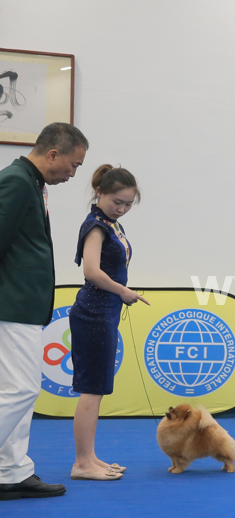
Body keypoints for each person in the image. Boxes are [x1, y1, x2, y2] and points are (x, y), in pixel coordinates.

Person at [0, 122, 88, 500]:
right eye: (73, 165)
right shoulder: (17, 182)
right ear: (52, 154)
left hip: (22, 304)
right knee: (21, 389)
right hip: (12, 304)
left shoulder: (30, 182)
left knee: (17, 392)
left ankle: (11, 472)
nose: (73, 173)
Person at [69, 165, 149, 481]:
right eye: (118, 202)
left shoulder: (112, 224)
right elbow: (91, 271)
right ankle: (81, 463)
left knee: (97, 389)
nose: (122, 209)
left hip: (105, 311)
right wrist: (122, 291)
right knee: (91, 389)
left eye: (129, 204)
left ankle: (90, 457)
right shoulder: (95, 227)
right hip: (94, 312)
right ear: (99, 192)